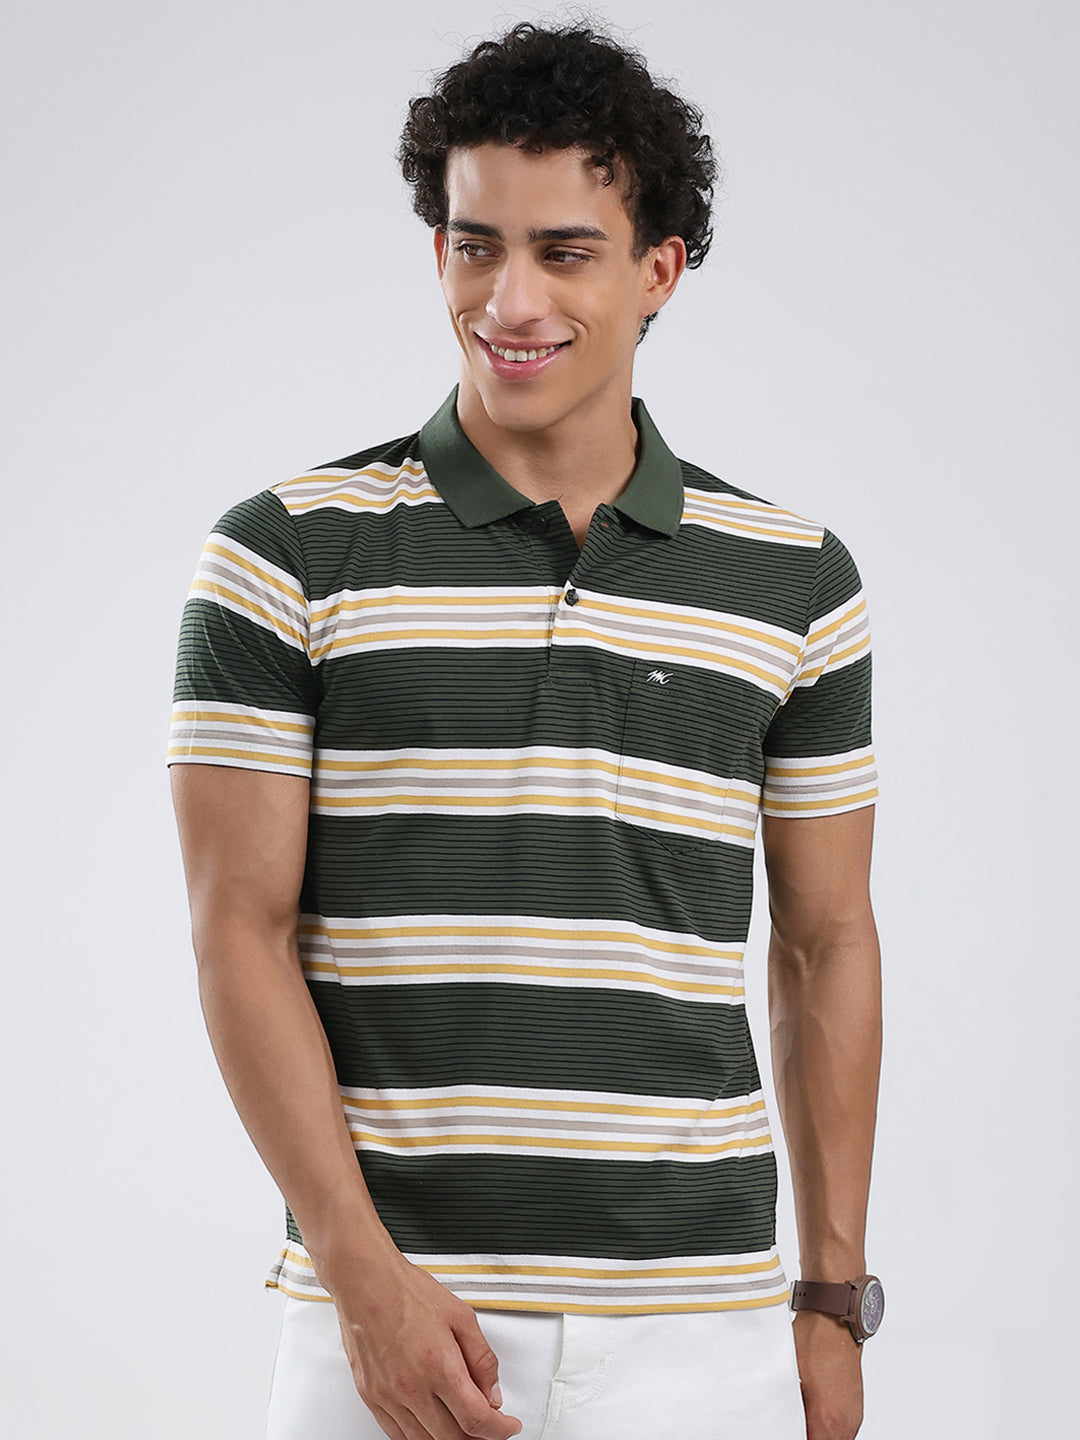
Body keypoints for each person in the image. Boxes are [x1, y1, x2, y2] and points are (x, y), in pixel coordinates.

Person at [168, 20, 883, 1440]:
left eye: (564, 251)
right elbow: (236, 932)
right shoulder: (285, 553)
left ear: (659, 269)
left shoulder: (796, 579)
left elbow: (827, 943)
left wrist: (829, 1296)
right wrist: (361, 1277)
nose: (509, 298)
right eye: (474, 244)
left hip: (703, 1334)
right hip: (388, 1324)